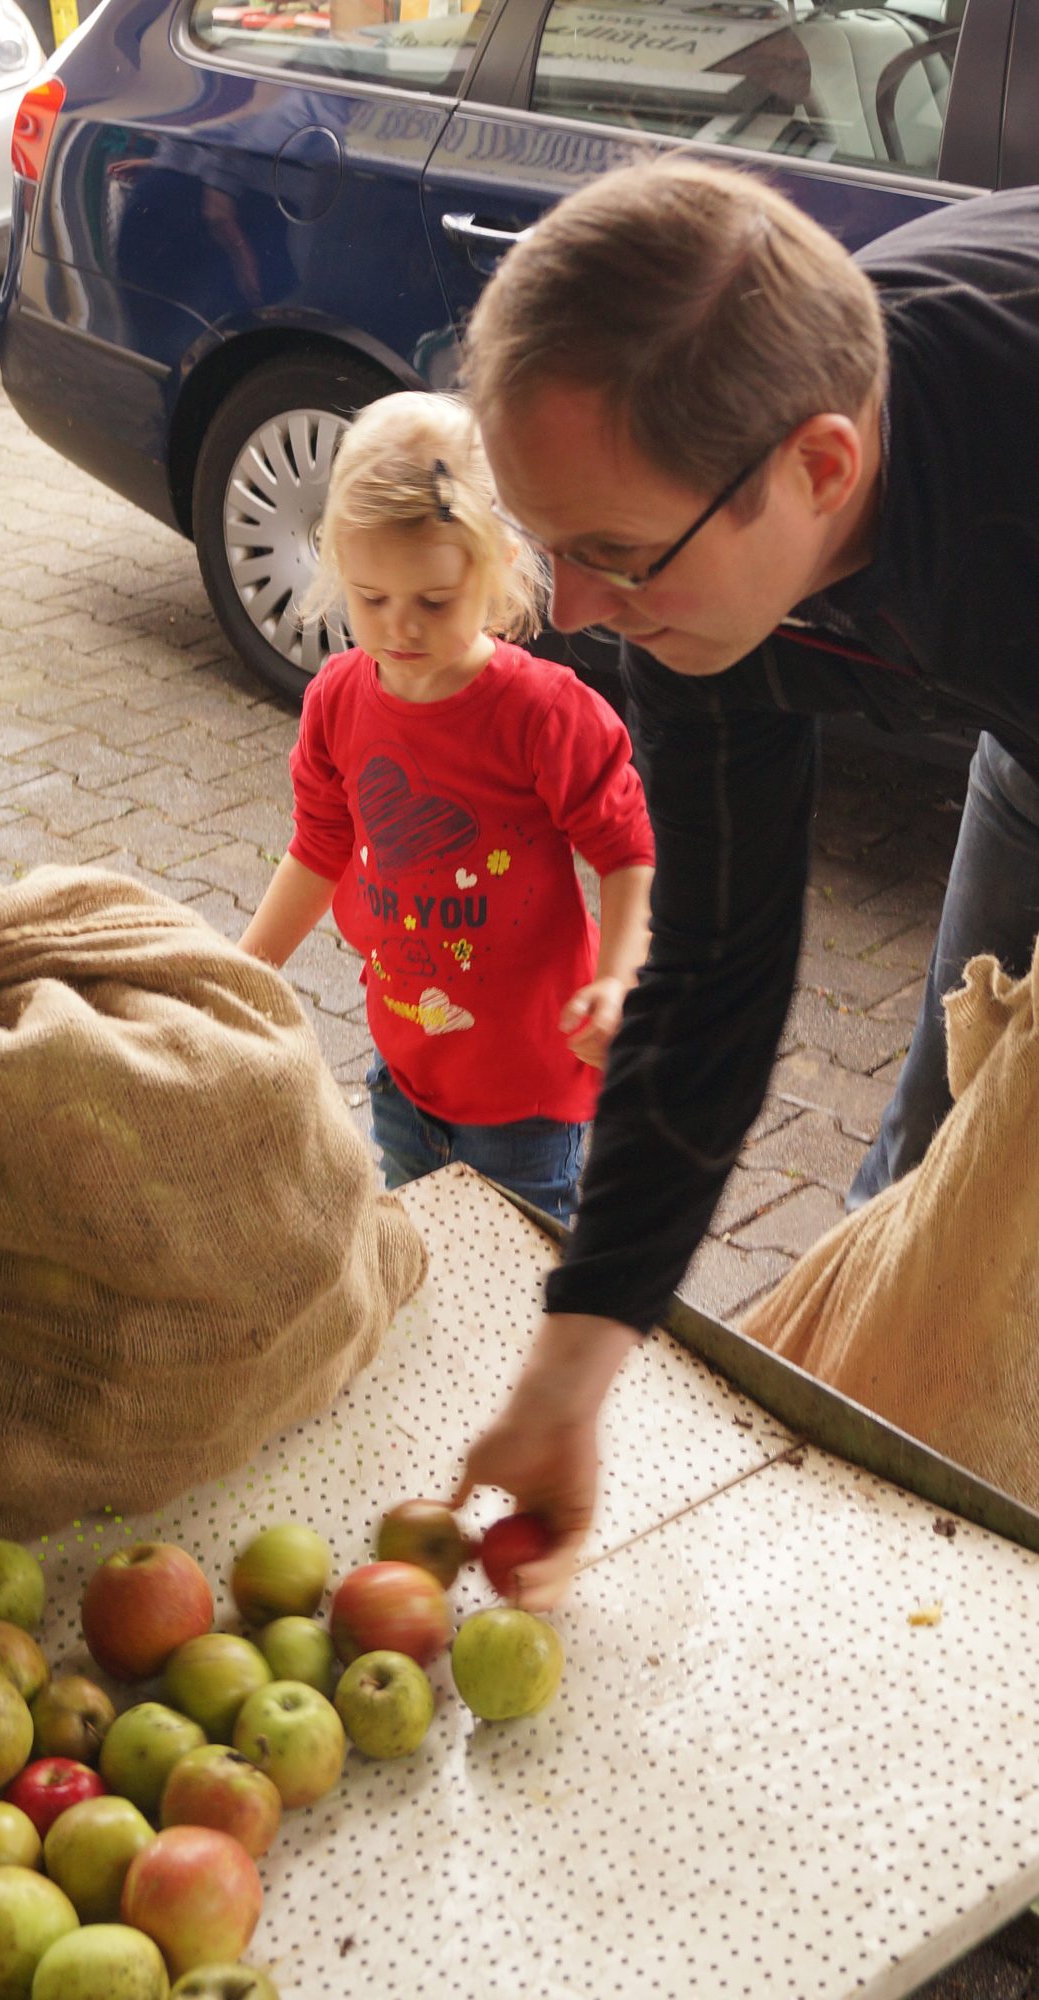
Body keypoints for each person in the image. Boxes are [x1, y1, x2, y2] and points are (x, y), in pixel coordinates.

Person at [452, 156, 1039, 1606]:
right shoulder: (705, 564)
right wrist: (575, 1363)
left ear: (820, 469)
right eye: (548, 547)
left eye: (615, 555)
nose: (576, 614)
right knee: (939, 1162)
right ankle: (881, 1540)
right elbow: (714, 968)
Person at [239, 391, 654, 1225]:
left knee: (517, 1276)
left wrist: (618, 981)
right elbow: (319, 848)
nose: (400, 629)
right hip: (404, 1075)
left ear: (497, 567)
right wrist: (243, 972)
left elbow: (626, 853)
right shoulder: (337, 703)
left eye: (433, 601)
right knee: (423, 1254)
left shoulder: (543, 715)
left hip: (529, 1100)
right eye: (370, 598)